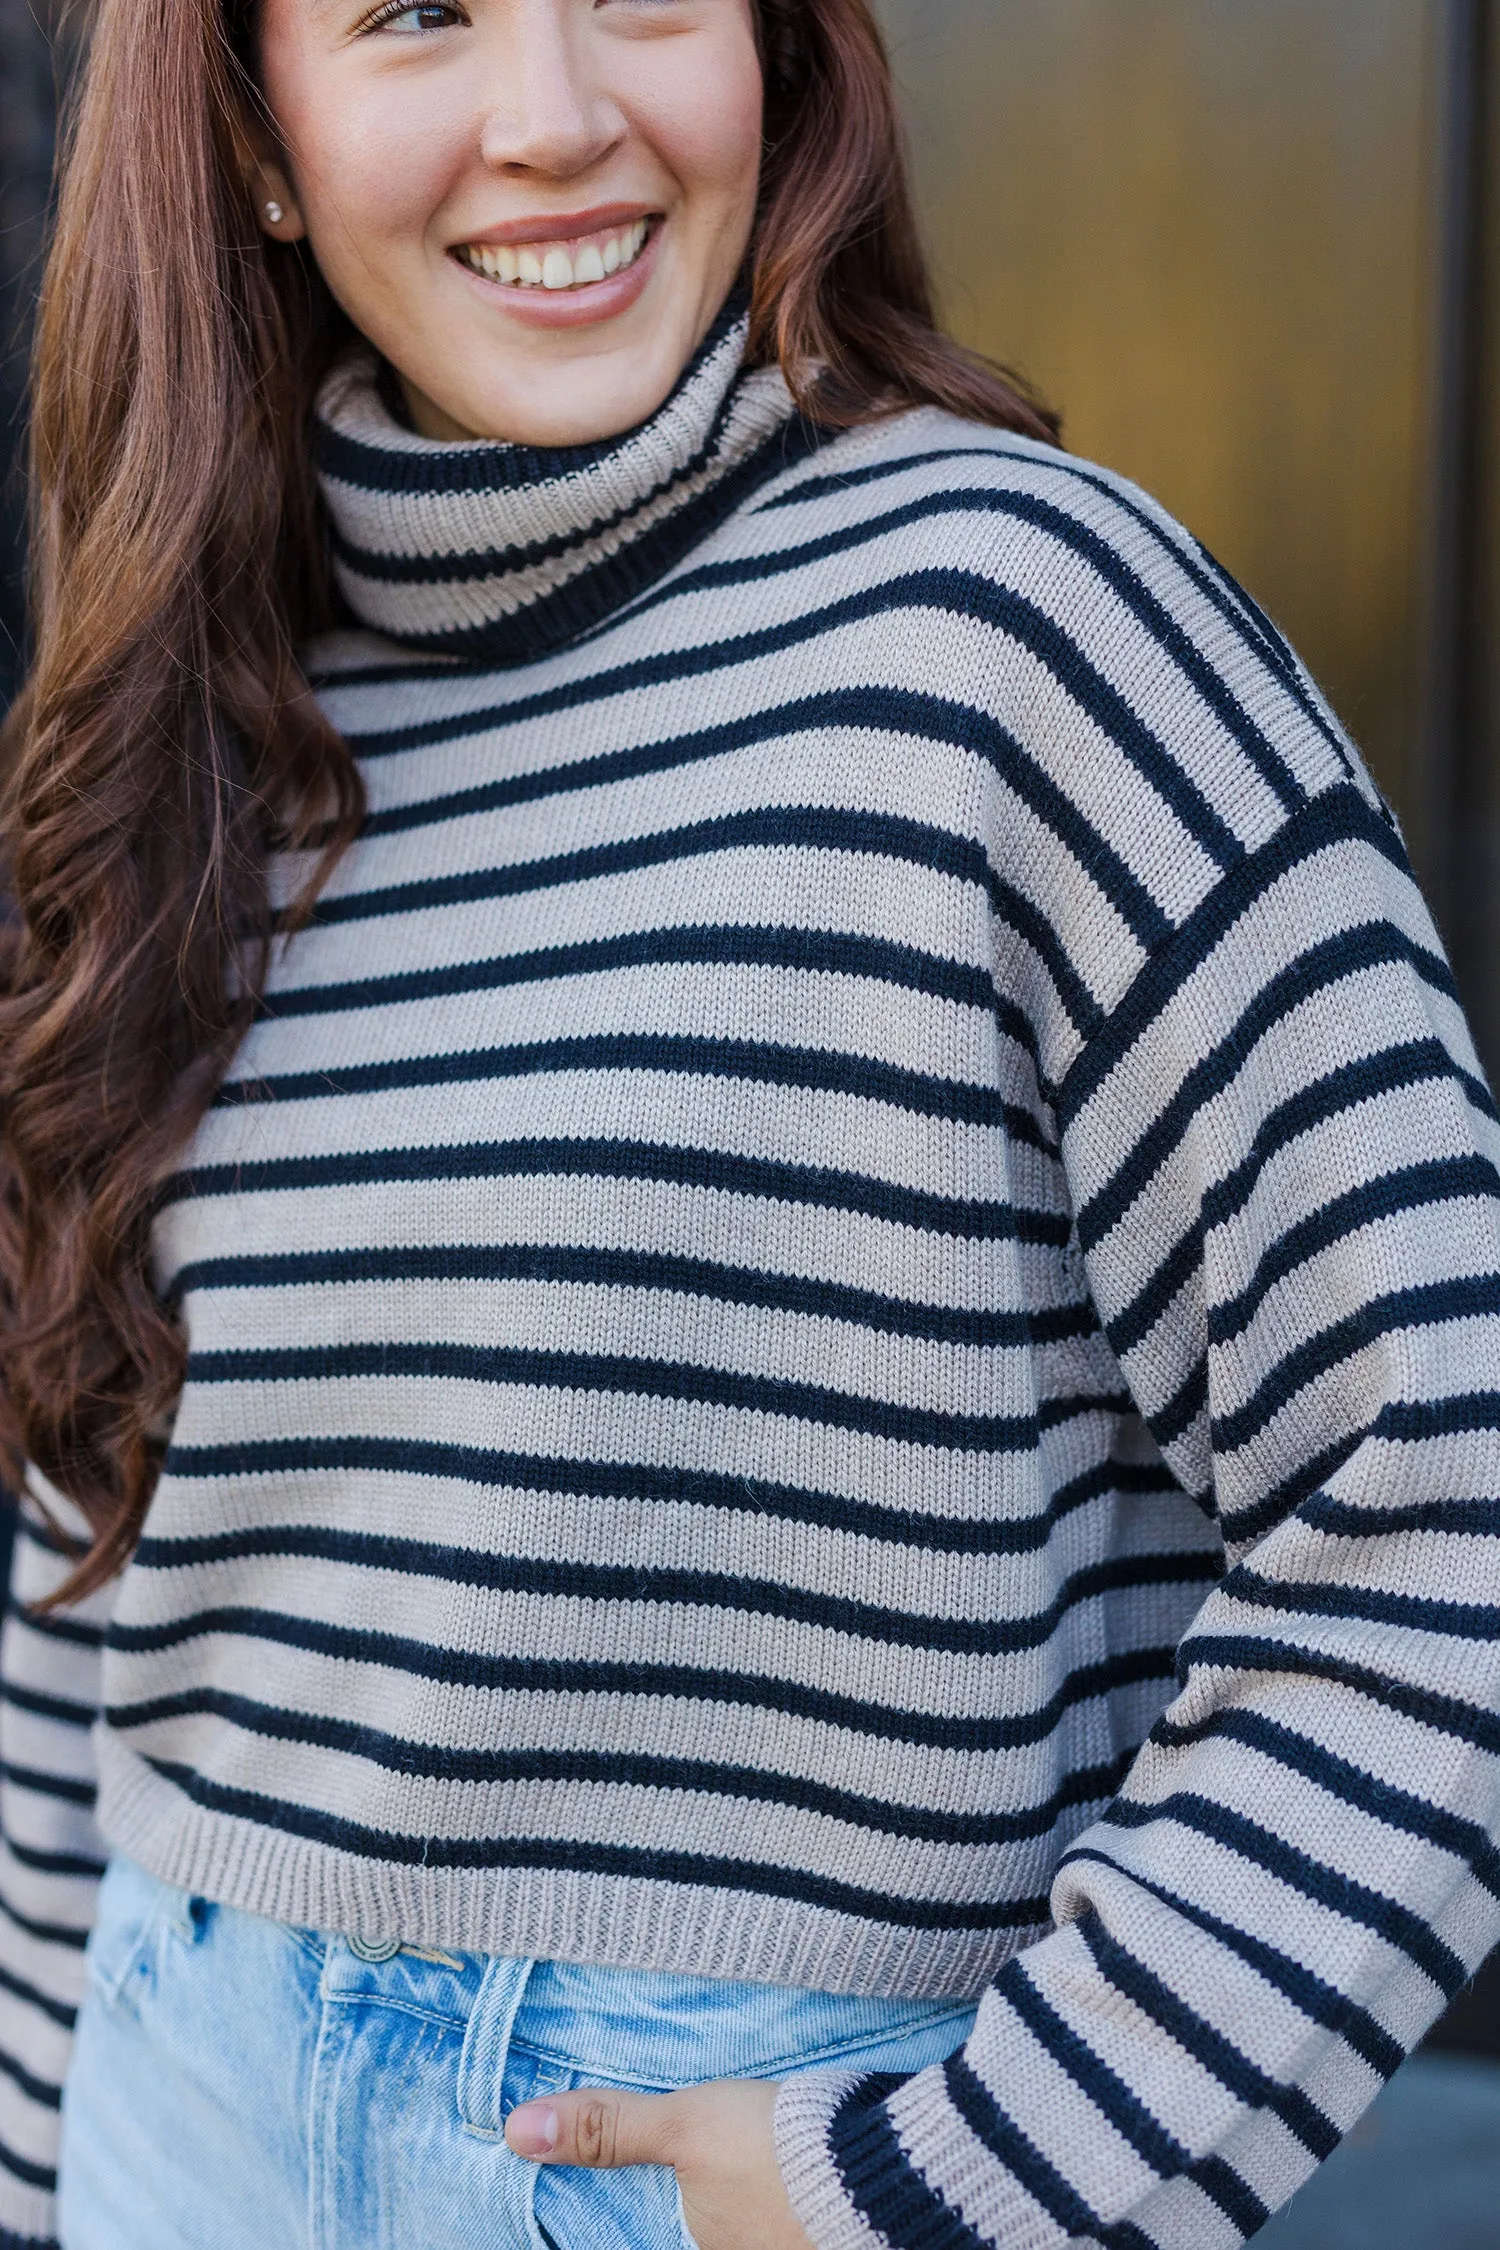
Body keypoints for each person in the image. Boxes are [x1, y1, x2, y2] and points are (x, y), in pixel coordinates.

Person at [1, 0, 1497, 2244]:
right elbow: (89, 1569)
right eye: (418, 14)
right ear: (257, 137)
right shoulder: (186, 741)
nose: (559, 117)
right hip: (174, 2114)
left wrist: (972, 2185)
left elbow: (1441, 1491)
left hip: (763, 2161)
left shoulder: (1023, 632)